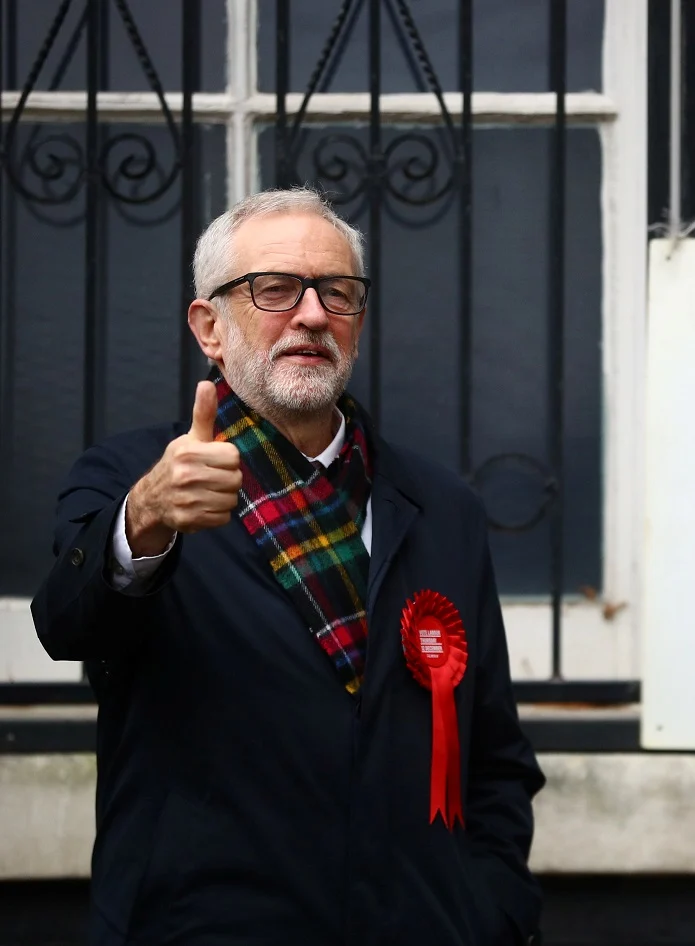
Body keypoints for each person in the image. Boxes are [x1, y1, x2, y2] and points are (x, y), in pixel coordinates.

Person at [30, 187, 545, 946]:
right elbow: (65, 625)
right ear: (210, 326)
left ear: (358, 323)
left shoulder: (442, 508)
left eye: (336, 292)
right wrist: (143, 518)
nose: (311, 315)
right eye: (273, 290)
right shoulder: (126, 478)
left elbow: (494, 756)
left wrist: (491, 910)